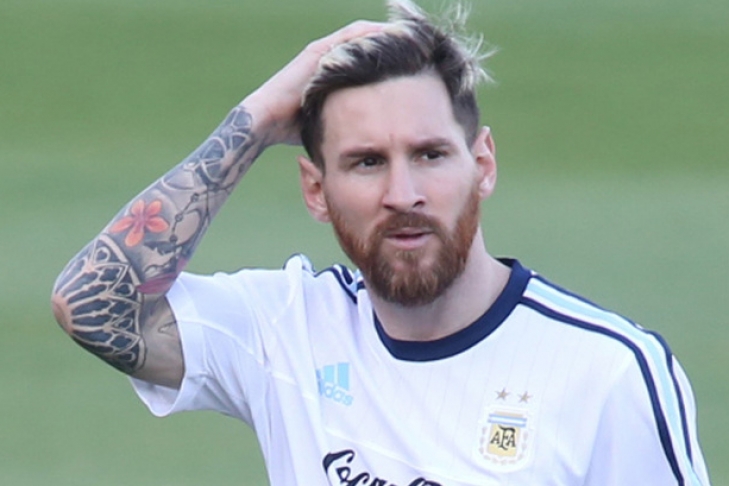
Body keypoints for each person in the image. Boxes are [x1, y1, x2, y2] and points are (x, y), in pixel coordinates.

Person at [51, 0, 711, 484]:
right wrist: (255, 120)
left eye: (429, 155)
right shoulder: (285, 331)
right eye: (366, 162)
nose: (403, 193)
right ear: (316, 190)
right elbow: (91, 306)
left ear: (482, 165)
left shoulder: (606, 373)